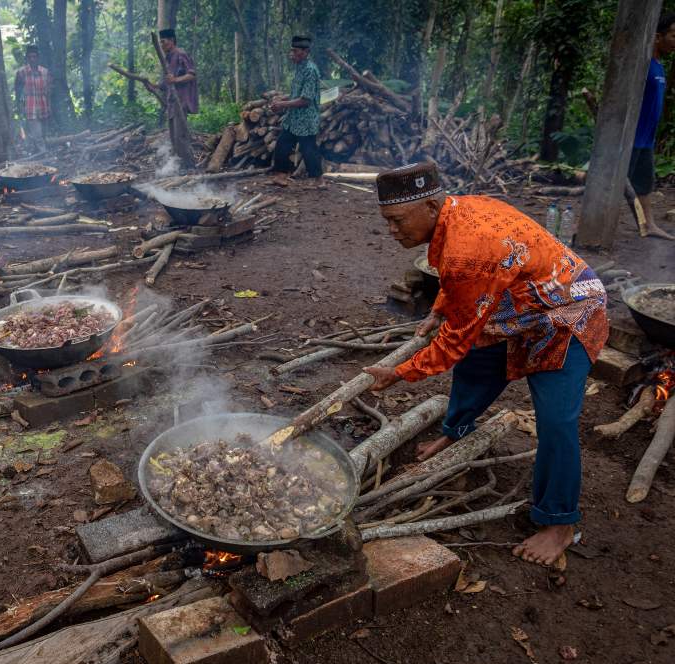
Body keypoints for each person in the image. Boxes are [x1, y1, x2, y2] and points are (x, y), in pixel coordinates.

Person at [363, 162, 609, 567]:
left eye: (396, 220)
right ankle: (456, 431)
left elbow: (453, 342)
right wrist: (442, 309)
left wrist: (400, 373)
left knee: (557, 419)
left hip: (570, 310)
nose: (391, 231)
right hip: (525, 302)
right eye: (387, 221)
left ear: (429, 205)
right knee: (479, 361)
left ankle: (559, 522)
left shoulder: (468, 245)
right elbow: (460, 283)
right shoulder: (456, 213)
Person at [628, 13, 675, 241]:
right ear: (657, 37)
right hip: (630, 139)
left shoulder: (659, 68)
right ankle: (584, 227)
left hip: (646, 140)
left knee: (644, 184)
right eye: (673, 35)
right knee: (616, 187)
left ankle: (648, 225)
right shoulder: (642, 67)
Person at [270, 36, 323, 188]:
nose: (291, 54)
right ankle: (280, 176)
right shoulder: (299, 68)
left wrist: (282, 105)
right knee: (282, 144)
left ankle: (319, 180)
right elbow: (296, 94)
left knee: (309, 150)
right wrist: (281, 99)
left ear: (305, 52)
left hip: (306, 119)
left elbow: (305, 100)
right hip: (294, 118)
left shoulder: (310, 71)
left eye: (295, 51)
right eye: (291, 50)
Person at [158, 27, 199, 156]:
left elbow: (192, 75)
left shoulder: (181, 54)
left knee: (180, 136)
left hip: (181, 102)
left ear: (172, 40)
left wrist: (175, 79)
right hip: (171, 103)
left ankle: (188, 165)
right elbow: (166, 84)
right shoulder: (168, 58)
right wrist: (153, 86)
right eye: (160, 42)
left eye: (163, 41)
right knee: (173, 137)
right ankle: (177, 165)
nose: (162, 45)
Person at [14, 45, 51, 153]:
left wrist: (50, 107)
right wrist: (20, 107)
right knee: (37, 135)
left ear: (38, 58)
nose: (32, 59)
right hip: (30, 109)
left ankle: (37, 154)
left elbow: (48, 91)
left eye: (34, 57)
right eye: (30, 57)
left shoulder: (45, 72)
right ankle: (45, 156)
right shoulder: (21, 73)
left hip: (44, 108)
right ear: (27, 58)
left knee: (43, 134)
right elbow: (17, 91)